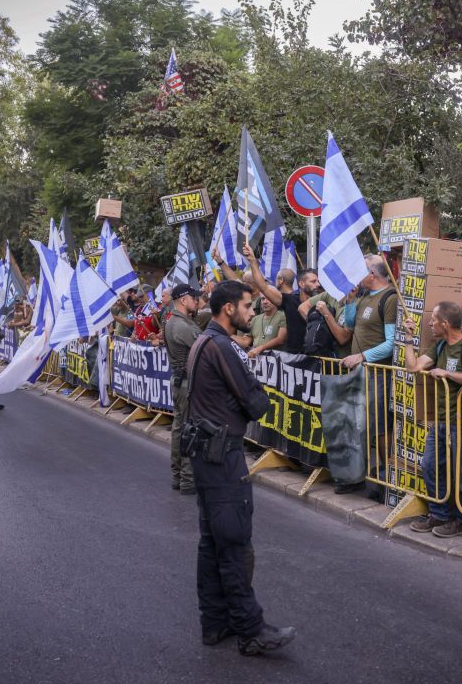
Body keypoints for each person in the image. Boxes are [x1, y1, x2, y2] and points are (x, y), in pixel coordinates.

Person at [186, 280, 295, 656]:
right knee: (233, 543)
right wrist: (251, 398)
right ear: (229, 309)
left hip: (207, 455)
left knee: (213, 542)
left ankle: (216, 622)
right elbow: (256, 403)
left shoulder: (205, 340)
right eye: (248, 306)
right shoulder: (221, 346)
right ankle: (250, 630)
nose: (253, 311)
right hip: (222, 457)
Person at [404, 301, 462, 538]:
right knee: (430, 466)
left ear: (446, 324)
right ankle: (439, 514)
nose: (430, 324)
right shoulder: (439, 346)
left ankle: (461, 520)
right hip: (440, 421)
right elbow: (413, 367)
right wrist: (408, 339)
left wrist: (446, 373)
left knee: (461, 474)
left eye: (434, 320)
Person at [334, 255, 399, 494]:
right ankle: (356, 476)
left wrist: (362, 356)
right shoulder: (363, 296)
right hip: (360, 372)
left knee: (379, 426)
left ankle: (387, 480)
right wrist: (351, 299)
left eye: (359, 270)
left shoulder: (390, 298)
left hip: (378, 373)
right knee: (356, 424)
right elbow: (350, 323)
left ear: (372, 274)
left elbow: (391, 343)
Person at [238, 243, 321, 356]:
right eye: (313, 281)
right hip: (295, 358)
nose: (317, 285)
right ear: (301, 284)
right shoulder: (290, 301)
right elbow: (263, 287)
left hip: (318, 358)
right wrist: (252, 261)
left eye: (318, 281)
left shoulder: (321, 304)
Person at [165, 283, 202, 495]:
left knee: (179, 429)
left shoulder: (174, 322)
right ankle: (188, 479)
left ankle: (178, 476)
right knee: (189, 431)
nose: (196, 301)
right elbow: (204, 345)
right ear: (183, 299)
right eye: (193, 298)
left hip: (180, 382)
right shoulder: (182, 326)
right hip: (187, 383)